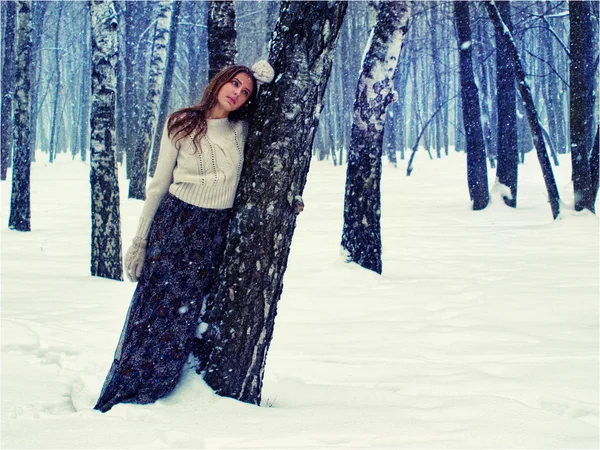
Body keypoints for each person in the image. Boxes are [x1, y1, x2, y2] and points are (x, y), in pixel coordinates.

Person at [94, 61, 275, 413]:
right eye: (234, 84)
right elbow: (159, 184)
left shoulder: (243, 127)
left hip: (212, 231)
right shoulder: (181, 122)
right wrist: (140, 242)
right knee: (154, 310)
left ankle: (162, 388)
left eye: (246, 92)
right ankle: (131, 389)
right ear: (220, 81)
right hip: (175, 225)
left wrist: (264, 79)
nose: (237, 93)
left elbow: (279, 111)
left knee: (185, 314)